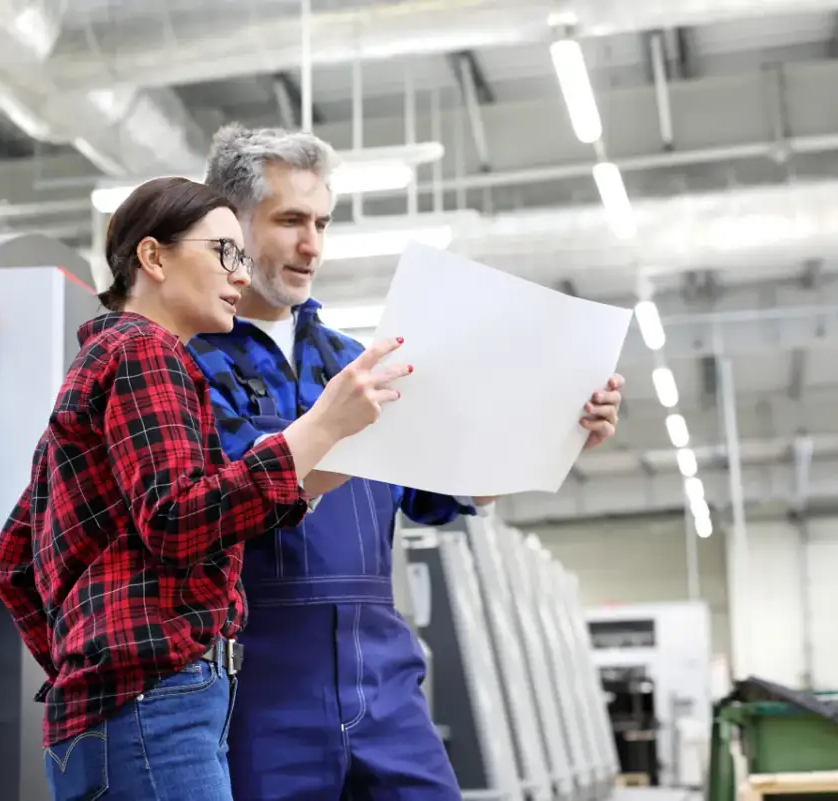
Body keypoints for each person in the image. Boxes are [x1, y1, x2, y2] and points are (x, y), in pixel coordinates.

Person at [188, 123, 626, 801]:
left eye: (323, 223)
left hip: (384, 681)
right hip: (259, 686)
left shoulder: (358, 363)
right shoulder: (183, 364)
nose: (313, 245)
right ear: (230, 228)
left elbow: (449, 487)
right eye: (291, 220)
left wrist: (558, 426)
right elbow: (202, 507)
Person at [0, 176, 412, 801]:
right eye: (223, 251)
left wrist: (87, 665)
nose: (240, 273)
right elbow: (177, 519)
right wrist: (319, 425)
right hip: (158, 702)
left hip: (114, 712)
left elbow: (13, 558)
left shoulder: (98, 365)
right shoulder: (147, 355)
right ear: (154, 257)